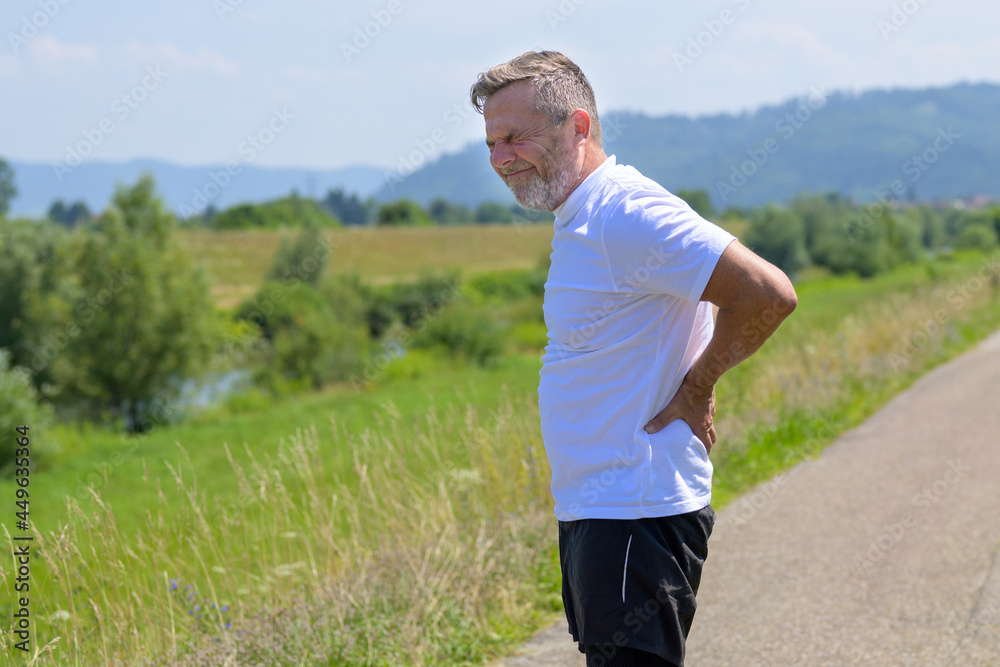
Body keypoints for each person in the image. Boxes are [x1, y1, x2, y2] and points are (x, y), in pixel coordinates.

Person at [470, 51, 798, 667]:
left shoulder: (626, 212)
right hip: (602, 507)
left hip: (633, 510)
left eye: (516, 137)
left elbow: (767, 294)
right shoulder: (588, 216)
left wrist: (698, 386)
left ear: (579, 127)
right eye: (491, 143)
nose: (501, 159)